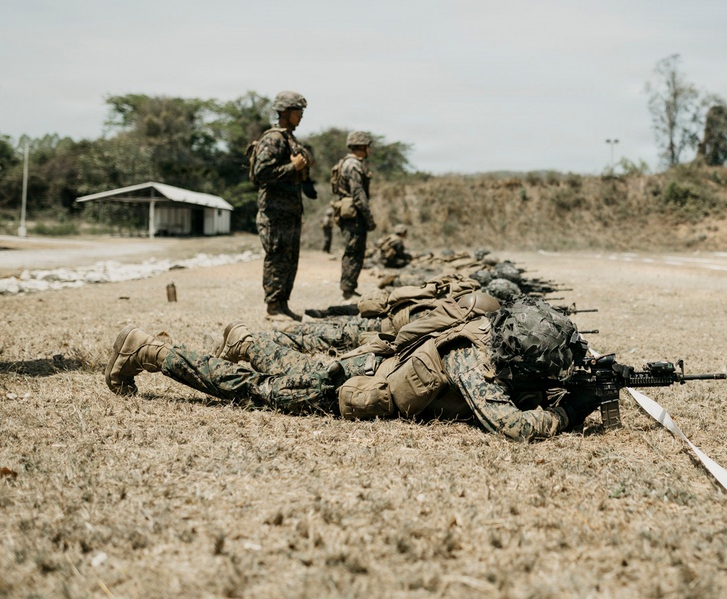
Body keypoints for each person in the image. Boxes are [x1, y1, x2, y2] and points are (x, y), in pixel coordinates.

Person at [103, 297, 602, 441]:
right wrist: (566, 415)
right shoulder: (473, 359)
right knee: (249, 388)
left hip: (366, 366)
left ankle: (247, 340)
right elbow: (510, 424)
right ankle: (148, 351)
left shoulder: (491, 338)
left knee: (283, 365)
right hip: (345, 388)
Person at [251, 90, 312, 322]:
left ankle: (283, 305)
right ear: (286, 112)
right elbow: (261, 173)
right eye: (299, 111)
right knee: (276, 258)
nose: (301, 116)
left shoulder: (289, 138)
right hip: (274, 213)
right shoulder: (273, 139)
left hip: (289, 212)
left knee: (289, 259)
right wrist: (292, 167)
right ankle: (273, 307)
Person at [331, 131, 376, 302]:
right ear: (362, 146)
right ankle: (348, 291)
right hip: (354, 216)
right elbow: (359, 195)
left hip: (349, 213)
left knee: (353, 251)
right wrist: (369, 219)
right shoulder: (354, 165)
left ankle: (348, 289)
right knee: (354, 252)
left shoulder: (345, 163)